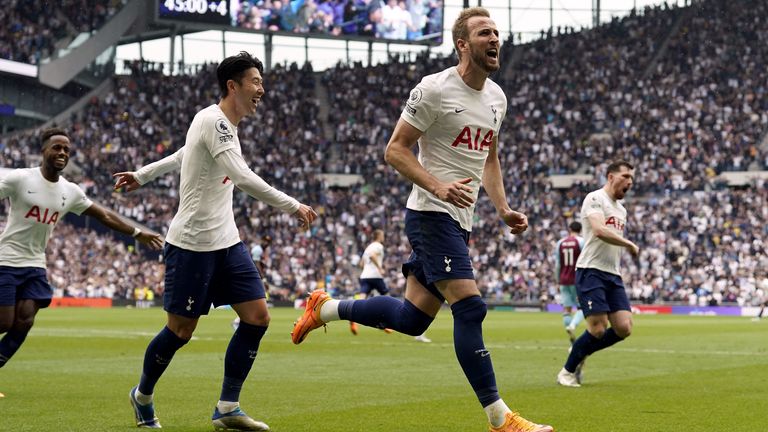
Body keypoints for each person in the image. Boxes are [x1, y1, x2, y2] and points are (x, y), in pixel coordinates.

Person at [290, 8, 553, 432]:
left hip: (459, 220)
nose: (495, 39)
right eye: (485, 32)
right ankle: (500, 418)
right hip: (431, 213)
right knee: (470, 308)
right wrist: (438, 186)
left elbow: (490, 157)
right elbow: (394, 149)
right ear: (462, 44)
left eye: (497, 33)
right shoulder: (433, 89)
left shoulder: (497, 98)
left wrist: (502, 208)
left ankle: (327, 308)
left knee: (413, 320)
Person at [113, 52, 317, 430]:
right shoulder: (213, 121)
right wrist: (293, 205)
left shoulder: (218, 125)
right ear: (232, 86)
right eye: (255, 82)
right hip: (191, 244)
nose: (262, 89)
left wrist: (143, 174)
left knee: (257, 317)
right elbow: (240, 176)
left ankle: (227, 407)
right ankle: (142, 396)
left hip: (226, 242)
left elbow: (181, 154)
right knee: (180, 332)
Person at [0, 127, 163, 387]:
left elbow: (104, 215)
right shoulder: (20, 179)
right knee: (4, 322)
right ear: (43, 151)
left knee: (25, 319)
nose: (62, 152)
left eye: (66, 149)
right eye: (56, 147)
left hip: (35, 264)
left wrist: (136, 232)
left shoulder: (70, 191)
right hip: (6, 260)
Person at [556, 161, 638, 388]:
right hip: (590, 270)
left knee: (624, 328)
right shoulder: (594, 198)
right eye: (625, 176)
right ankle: (567, 371)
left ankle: (581, 348)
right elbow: (600, 231)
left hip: (613, 273)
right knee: (598, 329)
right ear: (611, 176)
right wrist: (628, 243)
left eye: (632, 178)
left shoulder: (622, 209)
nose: (630, 182)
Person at [349, 229, 431, 342]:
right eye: (382, 235)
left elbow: (362, 263)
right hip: (375, 276)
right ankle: (388, 324)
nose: (383, 237)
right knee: (388, 298)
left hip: (364, 276)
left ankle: (353, 315)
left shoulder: (368, 247)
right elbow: (373, 256)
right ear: (378, 236)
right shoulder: (378, 246)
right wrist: (379, 268)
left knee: (362, 297)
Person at [555, 221, 585, 343]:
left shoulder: (560, 243)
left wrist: (558, 279)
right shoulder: (581, 242)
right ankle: (572, 326)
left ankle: (571, 339)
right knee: (582, 307)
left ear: (569, 229)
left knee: (566, 310)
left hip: (563, 279)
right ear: (580, 230)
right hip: (577, 279)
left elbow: (557, 265)